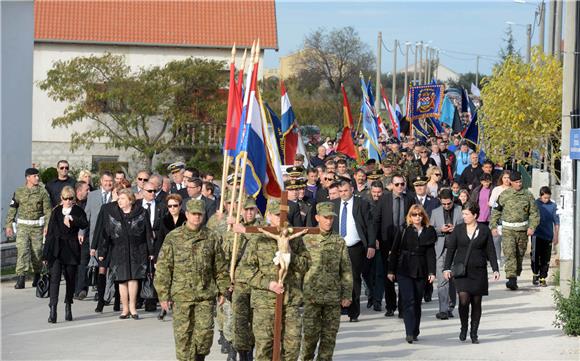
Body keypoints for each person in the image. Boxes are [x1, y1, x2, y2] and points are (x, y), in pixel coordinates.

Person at [156, 199, 229, 361]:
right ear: (187, 215)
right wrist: (163, 294)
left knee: (204, 336)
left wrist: (223, 289)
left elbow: (220, 266)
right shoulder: (173, 238)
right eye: (193, 214)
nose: (196, 217)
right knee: (183, 337)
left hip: (205, 295)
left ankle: (199, 357)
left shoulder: (211, 237)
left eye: (200, 214)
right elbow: (163, 268)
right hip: (181, 296)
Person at [244, 199, 310, 361]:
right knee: (265, 347)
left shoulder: (294, 238)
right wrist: (269, 284)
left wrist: (290, 254)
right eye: (276, 215)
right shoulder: (258, 239)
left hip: (291, 300)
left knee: (292, 346)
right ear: (268, 216)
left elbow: (306, 265)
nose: (281, 219)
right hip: (264, 303)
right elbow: (246, 269)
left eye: (283, 215)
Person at [301, 202, 353, 361]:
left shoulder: (339, 241)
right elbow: (299, 267)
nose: (329, 221)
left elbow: (346, 270)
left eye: (331, 217)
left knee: (329, 339)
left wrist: (347, 294)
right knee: (309, 338)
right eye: (325, 217)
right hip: (312, 297)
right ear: (317, 217)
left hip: (332, 297)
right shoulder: (306, 239)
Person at [444, 201, 500, 343]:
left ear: (475, 215)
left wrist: (495, 269)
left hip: (478, 271)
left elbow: (490, 250)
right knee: (463, 300)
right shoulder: (458, 229)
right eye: (463, 214)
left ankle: (474, 332)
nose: (464, 216)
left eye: (467, 214)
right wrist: (447, 267)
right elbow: (451, 249)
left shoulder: (484, 230)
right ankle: (464, 327)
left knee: (476, 302)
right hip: (461, 271)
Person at [97, 189, 154, 319]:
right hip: (118, 250)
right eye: (119, 198)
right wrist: (102, 251)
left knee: (133, 278)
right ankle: (125, 309)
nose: (119, 201)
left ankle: (133, 307)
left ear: (130, 200)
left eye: (122, 198)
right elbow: (105, 234)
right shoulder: (113, 214)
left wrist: (151, 251)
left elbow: (148, 233)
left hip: (137, 250)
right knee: (121, 279)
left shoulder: (142, 212)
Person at [387, 205, 436, 344]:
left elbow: (430, 253)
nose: (417, 217)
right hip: (404, 268)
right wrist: (391, 270)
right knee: (408, 301)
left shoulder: (429, 231)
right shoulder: (404, 229)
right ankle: (409, 332)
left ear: (423, 216)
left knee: (417, 302)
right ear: (410, 216)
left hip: (421, 269)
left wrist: (432, 272)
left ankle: (415, 330)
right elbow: (395, 250)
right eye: (414, 214)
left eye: (420, 214)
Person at [43, 186, 88, 323]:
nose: (68, 201)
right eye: (65, 198)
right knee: (55, 280)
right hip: (56, 250)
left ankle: (68, 306)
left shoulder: (78, 210)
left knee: (70, 280)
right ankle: (53, 310)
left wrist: (72, 218)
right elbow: (50, 233)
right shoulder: (56, 211)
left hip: (71, 249)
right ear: (61, 199)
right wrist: (45, 255)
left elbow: (84, 223)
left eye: (70, 198)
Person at [332, 180, 376, 322]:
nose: (343, 194)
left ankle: (353, 311)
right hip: (337, 247)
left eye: (345, 190)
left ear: (351, 189)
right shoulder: (334, 205)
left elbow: (370, 225)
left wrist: (371, 245)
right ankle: (341, 307)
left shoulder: (361, 203)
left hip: (355, 247)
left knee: (353, 279)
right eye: (341, 191)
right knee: (338, 278)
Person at [374, 174, 416, 317]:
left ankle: (403, 307)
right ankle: (390, 305)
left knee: (404, 275)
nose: (399, 187)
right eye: (396, 184)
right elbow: (377, 220)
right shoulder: (384, 199)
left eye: (402, 184)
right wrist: (376, 239)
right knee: (388, 275)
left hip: (404, 242)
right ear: (391, 185)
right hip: (387, 241)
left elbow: (413, 220)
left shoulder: (409, 198)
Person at [490, 171, 539, 290]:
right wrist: (493, 226)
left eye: (520, 181)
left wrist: (532, 227)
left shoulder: (528, 195)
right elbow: (496, 211)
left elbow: (534, 213)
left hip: (522, 230)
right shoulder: (504, 195)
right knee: (510, 253)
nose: (519, 184)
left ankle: (515, 275)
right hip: (508, 230)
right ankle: (511, 279)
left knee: (519, 254)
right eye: (516, 182)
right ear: (511, 182)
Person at [5, 168, 52, 289]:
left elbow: (47, 211)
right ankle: (21, 278)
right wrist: (9, 224)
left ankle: (37, 274)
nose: (37, 178)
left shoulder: (42, 192)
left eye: (38, 176)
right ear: (28, 178)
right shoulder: (19, 191)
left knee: (37, 252)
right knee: (22, 251)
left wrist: (47, 226)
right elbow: (12, 209)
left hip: (37, 227)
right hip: (23, 227)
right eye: (35, 176)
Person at [230, 197, 263, 360]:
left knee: (257, 322)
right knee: (240, 322)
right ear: (241, 211)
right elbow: (225, 255)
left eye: (252, 209)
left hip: (258, 282)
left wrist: (243, 230)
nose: (249, 213)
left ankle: (252, 349)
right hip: (239, 283)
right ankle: (243, 354)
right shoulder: (232, 230)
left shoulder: (262, 228)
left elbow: (261, 243)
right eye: (246, 209)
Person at [79, 171, 114, 301]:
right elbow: (86, 215)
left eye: (110, 181)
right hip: (96, 237)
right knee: (99, 266)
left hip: (112, 237)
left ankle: (106, 293)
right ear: (101, 181)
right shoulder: (93, 195)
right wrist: (81, 232)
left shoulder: (116, 195)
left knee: (108, 267)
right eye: (105, 181)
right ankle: (100, 291)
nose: (108, 183)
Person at [430, 189, 462, 320]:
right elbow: (430, 231)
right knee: (442, 281)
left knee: (453, 280)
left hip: (456, 250)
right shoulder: (435, 212)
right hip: (441, 250)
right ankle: (442, 310)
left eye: (448, 203)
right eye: (444, 204)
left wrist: (456, 229)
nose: (446, 206)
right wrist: (440, 229)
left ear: (452, 200)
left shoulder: (460, 210)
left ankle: (450, 307)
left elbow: (468, 226)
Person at [532, 186, 560, 287]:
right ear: (540, 196)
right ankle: (535, 273)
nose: (546, 200)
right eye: (544, 198)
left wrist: (556, 236)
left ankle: (543, 278)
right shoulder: (535, 204)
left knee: (545, 258)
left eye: (548, 198)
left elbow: (556, 222)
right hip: (536, 234)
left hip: (548, 235)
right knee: (535, 256)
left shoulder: (553, 206)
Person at [488, 170, 511, 266]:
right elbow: (490, 202)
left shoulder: (514, 189)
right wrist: (499, 206)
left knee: (508, 240)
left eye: (508, 178)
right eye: (505, 177)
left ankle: (507, 259)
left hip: (510, 217)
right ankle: (497, 258)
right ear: (501, 178)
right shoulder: (497, 189)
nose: (506, 180)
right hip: (498, 216)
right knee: (496, 239)